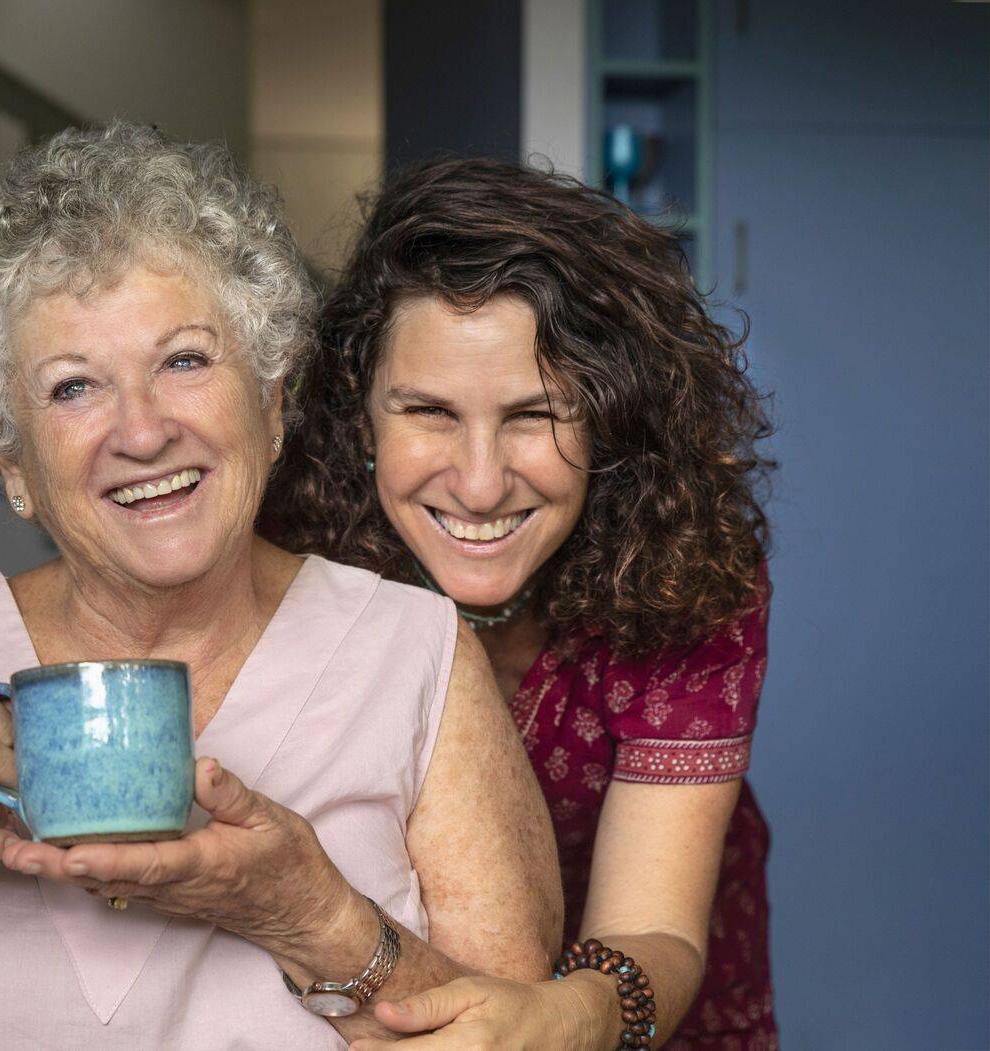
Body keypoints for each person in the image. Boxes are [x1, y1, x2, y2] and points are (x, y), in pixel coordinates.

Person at [0, 124, 561, 1051]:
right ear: (12, 461)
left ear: (272, 401)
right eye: (74, 387)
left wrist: (312, 914)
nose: (144, 431)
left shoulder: (416, 656)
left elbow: (523, 1035)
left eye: (186, 360)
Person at [266, 158, 776, 1050]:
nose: (479, 483)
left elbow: (654, 924)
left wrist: (565, 1015)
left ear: (611, 419)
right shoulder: (291, 561)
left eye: (533, 415)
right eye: (429, 411)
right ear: (360, 416)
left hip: (646, 1012)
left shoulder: (689, 574)